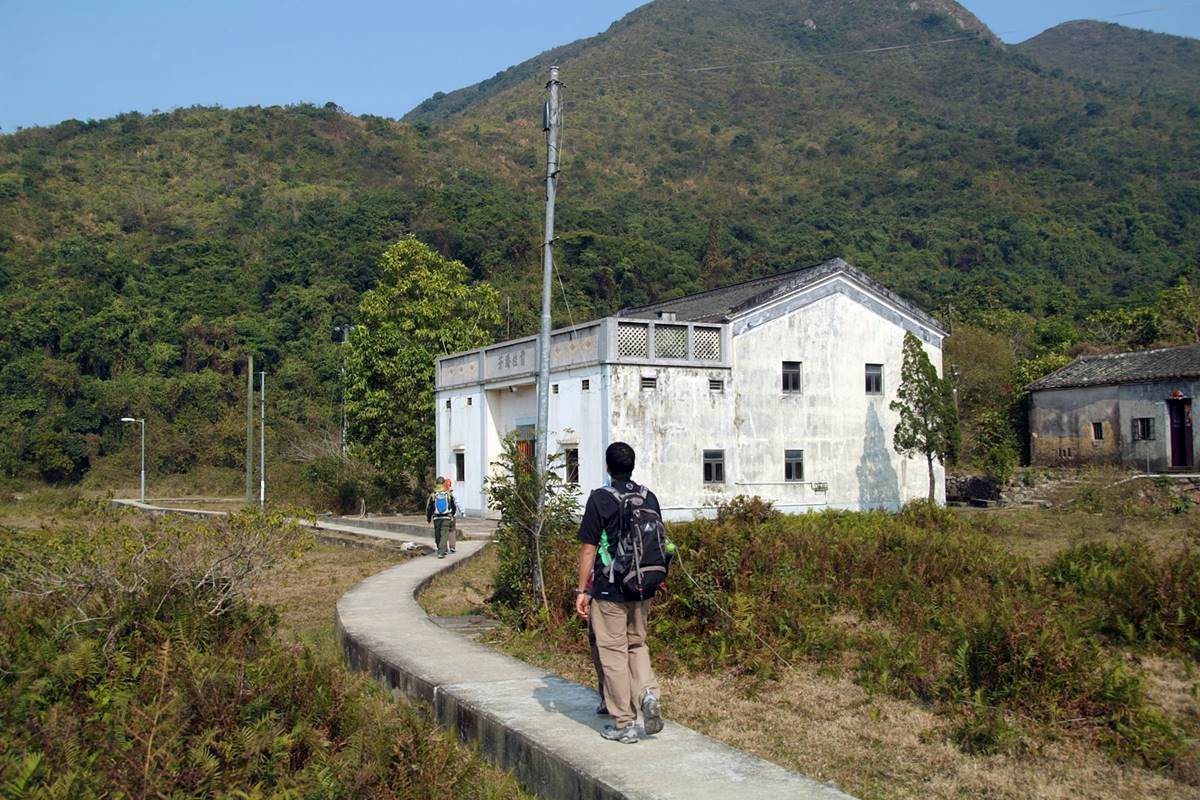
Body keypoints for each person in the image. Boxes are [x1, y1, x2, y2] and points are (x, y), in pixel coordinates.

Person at [574, 442, 664, 744]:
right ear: (632, 466)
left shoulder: (600, 499)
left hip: (609, 589)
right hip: (642, 587)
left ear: (608, 467)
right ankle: (648, 694)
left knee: (613, 652)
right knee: (637, 645)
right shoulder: (648, 497)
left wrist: (581, 590)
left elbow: (589, 549)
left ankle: (625, 723)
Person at [426, 477, 457, 558]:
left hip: (436, 518)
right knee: (444, 534)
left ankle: (441, 549)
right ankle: (442, 551)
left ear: (436, 483)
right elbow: (453, 506)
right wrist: (452, 515)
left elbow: (429, 508)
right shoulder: (448, 494)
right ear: (444, 483)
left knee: (438, 535)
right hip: (446, 517)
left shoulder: (433, 495)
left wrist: (428, 518)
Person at [445, 478, 458, 554]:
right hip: (452, 515)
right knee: (452, 530)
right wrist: (462, 512)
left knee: (444, 531)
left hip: (443, 515)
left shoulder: (440, 493)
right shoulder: (453, 493)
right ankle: (452, 546)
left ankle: (444, 548)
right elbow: (457, 504)